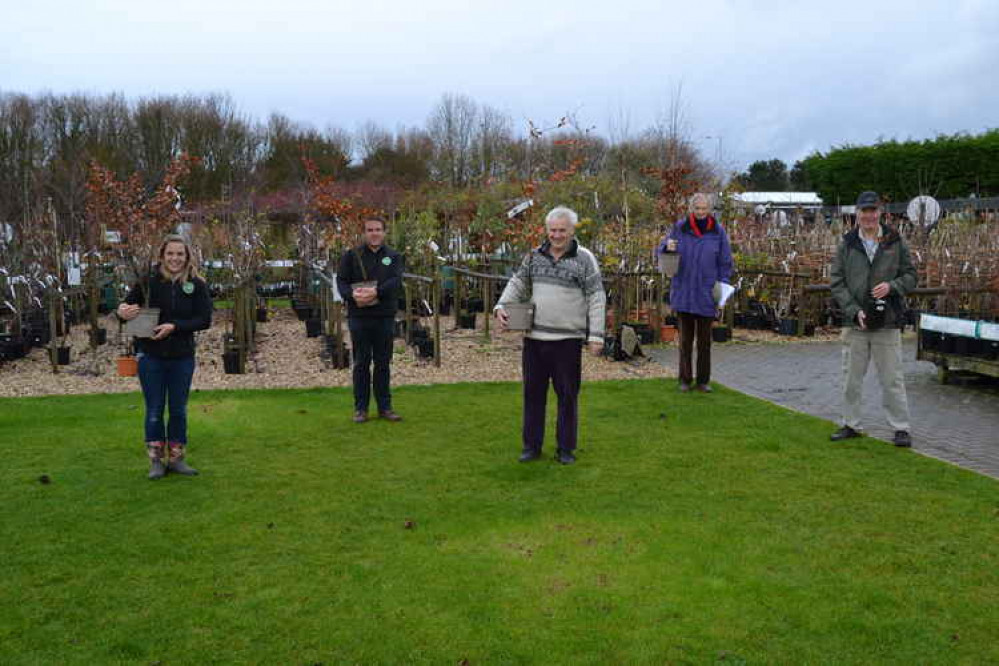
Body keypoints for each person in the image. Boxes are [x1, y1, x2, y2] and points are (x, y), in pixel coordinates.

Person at [494, 206, 606, 465]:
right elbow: (518, 282)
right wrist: (500, 306)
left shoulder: (585, 259)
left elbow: (596, 297)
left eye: (562, 230)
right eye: (553, 230)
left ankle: (565, 449)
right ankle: (531, 447)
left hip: (568, 341)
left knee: (567, 396)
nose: (557, 235)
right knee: (533, 395)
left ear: (572, 231)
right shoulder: (534, 256)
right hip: (534, 339)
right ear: (547, 230)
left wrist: (596, 336)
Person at [117, 234, 213, 479]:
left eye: (180, 254)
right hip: (151, 355)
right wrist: (123, 311)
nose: (175, 258)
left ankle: (177, 458)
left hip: (182, 356)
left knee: (178, 409)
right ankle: (156, 461)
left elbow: (204, 319)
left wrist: (175, 326)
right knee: (154, 409)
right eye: (170, 253)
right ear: (162, 256)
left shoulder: (196, 284)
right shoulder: (148, 282)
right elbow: (126, 309)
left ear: (187, 256)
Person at [829, 191, 917, 447]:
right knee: (850, 378)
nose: (869, 216)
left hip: (887, 320)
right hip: (855, 321)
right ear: (857, 214)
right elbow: (837, 282)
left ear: (880, 212)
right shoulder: (847, 243)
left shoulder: (895, 240)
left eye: (873, 211)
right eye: (864, 211)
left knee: (892, 378)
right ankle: (850, 424)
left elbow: (911, 275)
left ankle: (901, 428)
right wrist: (853, 310)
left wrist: (892, 286)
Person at [657, 193, 734, 393]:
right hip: (684, 291)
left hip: (707, 293)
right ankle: (684, 379)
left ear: (709, 210)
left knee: (704, 343)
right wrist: (667, 246)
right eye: (697, 208)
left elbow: (725, 263)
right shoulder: (680, 228)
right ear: (691, 209)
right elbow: (662, 251)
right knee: (684, 341)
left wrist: (722, 287)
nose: (700, 212)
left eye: (704, 209)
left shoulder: (718, 232)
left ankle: (703, 381)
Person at [336, 216, 404, 424]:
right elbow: (341, 280)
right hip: (359, 316)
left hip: (384, 316)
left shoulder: (393, 256)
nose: (374, 233)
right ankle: (361, 409)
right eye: (370, 230)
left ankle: (385, 407)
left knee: (383, 363)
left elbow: (395, 280)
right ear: (364, 233)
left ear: (384, 232)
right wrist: (352, 296)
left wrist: (376, 292)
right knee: (361, 363)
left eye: (378, 229)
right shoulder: (351, 256)